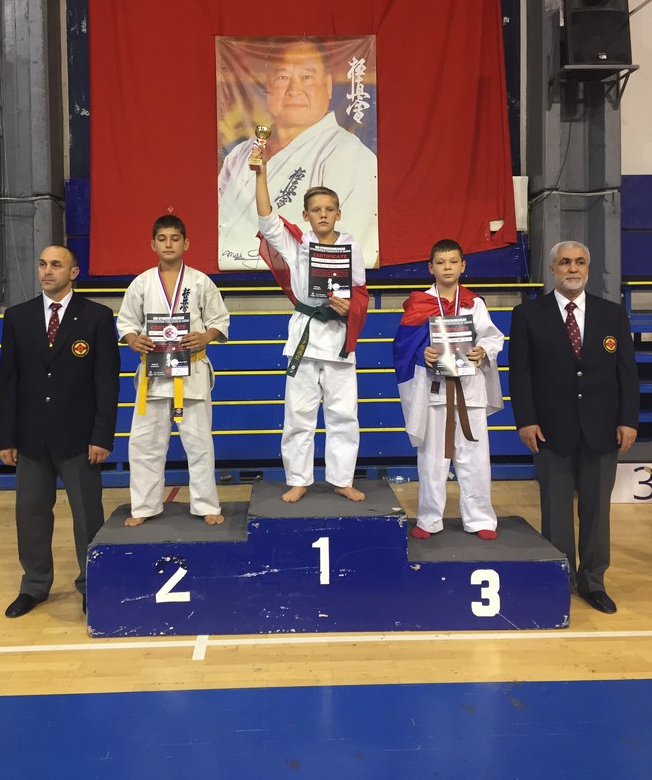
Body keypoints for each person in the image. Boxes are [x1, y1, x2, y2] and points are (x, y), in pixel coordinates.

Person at [509, 241, 639, 613]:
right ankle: (559, 581)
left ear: (588, 268)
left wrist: (628, 420)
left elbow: (626, 372)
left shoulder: (612, 314)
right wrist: (526, 420)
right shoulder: (527, 315)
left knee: (597, 512)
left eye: (580, 262)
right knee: (556, 512)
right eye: (565, 262)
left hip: (603, 429)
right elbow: (520, 374)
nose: (573, 268)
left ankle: (593, 582)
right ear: (552, 269)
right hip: (550, 429)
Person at [0, 245, 120, 618]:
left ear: (74, 272)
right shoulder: (17, 317)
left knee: (87, 515)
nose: (47, 271)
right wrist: (7, 437)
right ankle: (34, 585)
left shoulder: (97, 316)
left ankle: (91, 584)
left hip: (80, 438)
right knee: (30, 515)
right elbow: (8, 380)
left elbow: (107, 382)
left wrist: (102, 435)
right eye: (42, 264)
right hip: (31, 437)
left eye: (55, 265)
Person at [255, 159, 369, 503]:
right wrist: (260, 174)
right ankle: (299, 479)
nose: (323, 215)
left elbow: (360, 293)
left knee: (343, 414)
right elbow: (266, 217)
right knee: (299, 414)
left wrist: (350, 308)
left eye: (329, 209)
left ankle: (342, 478)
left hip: (338, 339)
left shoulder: (351, 246)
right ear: (305, 215)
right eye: (316, 210)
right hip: (304, 337)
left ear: (338, 213)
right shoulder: (296, 244)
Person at [219, 38, 378, 270]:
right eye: (282, 77)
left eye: (307, 77)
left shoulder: (353, 156)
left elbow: (348, 243)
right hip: (236, 272)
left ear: (328, 85)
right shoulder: (241, 154)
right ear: (268, 87)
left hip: (309, 279)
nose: (294, 90)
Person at [117, 215, 229, 527]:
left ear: (186, 243)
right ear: (153, 244)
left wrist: (205, 336)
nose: (169, 244)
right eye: (162, 239)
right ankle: (144, 506)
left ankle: (206, 504)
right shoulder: (141, 283)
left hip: (191, 372)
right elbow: (126, 322)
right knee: (145, 443)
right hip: (154, 374)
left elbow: (220, 320)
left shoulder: (200, 281)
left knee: (199, 442)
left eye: (175, 238)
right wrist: (133, 340)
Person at [393, 240, 504, 539]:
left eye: (453, 262)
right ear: (431, 267)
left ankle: (480, 519)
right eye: (441, 263)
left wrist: (483, 350)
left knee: (475, 458)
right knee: (432, 459)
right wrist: (423, 353)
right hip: (435, 391)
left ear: (463, 266)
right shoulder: (419, 303)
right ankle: (429, 519)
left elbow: (492, 336)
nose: (447, 268)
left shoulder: (474, 303)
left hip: (470, 390)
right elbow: (403, 346)